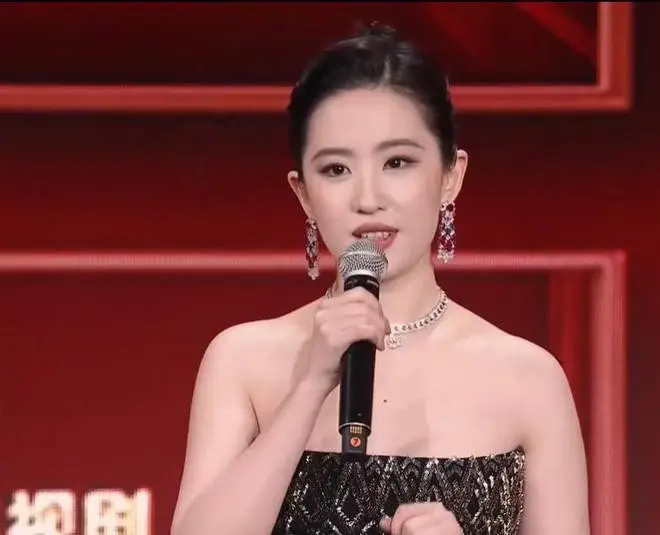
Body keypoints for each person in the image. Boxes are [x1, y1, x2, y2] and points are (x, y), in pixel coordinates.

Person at [170, 23, 590, 535]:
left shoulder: (529, 378)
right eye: (336, 170)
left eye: (397, 162)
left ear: (451, 176)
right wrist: (310, 386)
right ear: (303, 194)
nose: (367, 199)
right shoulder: (244, 359)